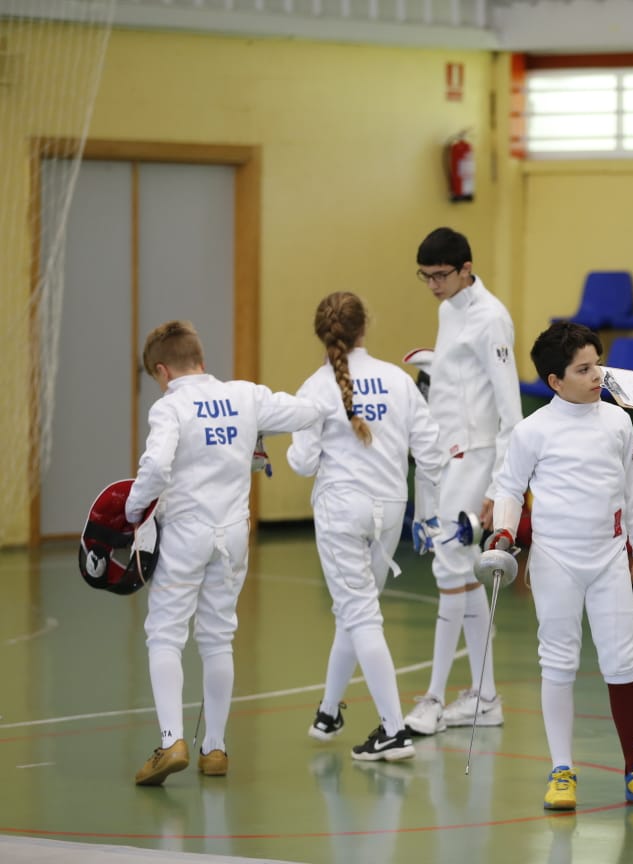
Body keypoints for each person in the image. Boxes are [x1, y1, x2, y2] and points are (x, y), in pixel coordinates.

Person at [126, 320, 320, 786]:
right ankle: (215, 748)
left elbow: (155, 466)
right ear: (201, 361)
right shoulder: (246, 396)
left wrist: (132, 511)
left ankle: (172, 740)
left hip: (184, 534)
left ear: (162, 370)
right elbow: (306, 412)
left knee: (166, 635)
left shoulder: (169, 407)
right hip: (232, 535)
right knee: (217, 639)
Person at [488, 321, 633, 811]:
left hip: (610, 558)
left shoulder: (617, 422)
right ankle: (562, 770)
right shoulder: (533, 431)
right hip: (555, 560)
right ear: (555, 380)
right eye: (584, 369)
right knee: (559, 661)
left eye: (599, 365)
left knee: (622, 661)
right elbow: (508, 487)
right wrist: (505, 532)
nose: (597, 376)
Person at [288, 291, 441, 761]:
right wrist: (431, 512)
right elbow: (431, 453)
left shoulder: (315, 388)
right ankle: (329, 712)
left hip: (341, 511)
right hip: (391, 509)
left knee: (360, 616)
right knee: (353, 614)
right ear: (364, 327)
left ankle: (394, 731)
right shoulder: (398, 381)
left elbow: (302, 462)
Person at [404, 227, 523, 736]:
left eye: (441, 275)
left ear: (466, 268)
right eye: (425, 277)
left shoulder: (491, 318)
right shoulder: (447, 309)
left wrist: (500, 488)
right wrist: (430, 366)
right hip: (443, 457)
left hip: (477, 459)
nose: (432, 285)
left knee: (450, 569)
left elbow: (510, 410)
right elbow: (458, 382)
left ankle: (432, 697)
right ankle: (485, 697)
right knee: (460, 573)